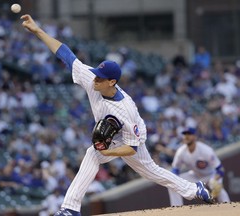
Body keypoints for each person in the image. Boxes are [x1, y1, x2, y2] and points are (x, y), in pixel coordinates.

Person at [20, 14, 214, 216]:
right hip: (114, 135)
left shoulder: (126, 109)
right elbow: (65, 54)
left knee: (151, 172)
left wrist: (108, 152)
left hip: (131, 138)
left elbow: (131, 148)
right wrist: (38, 31)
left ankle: (194, 189)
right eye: (96, 74)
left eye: (101, 77)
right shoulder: (92, 79)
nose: (96, 79)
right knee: (91, 154)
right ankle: (70, 209)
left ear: (111, 82)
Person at [168, 127, 230, 206]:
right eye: (185, 134)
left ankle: (228, 206)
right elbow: (175, 169)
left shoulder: (205, 150)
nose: (186, 136)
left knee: (216, 185)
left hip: (210, 175)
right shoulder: (181, 152)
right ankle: (176, 209)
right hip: (195, 175)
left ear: (195, 136)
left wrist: (215, 179)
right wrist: (175, 179)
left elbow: (220, 169)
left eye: (189, 134)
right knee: (172, 182)